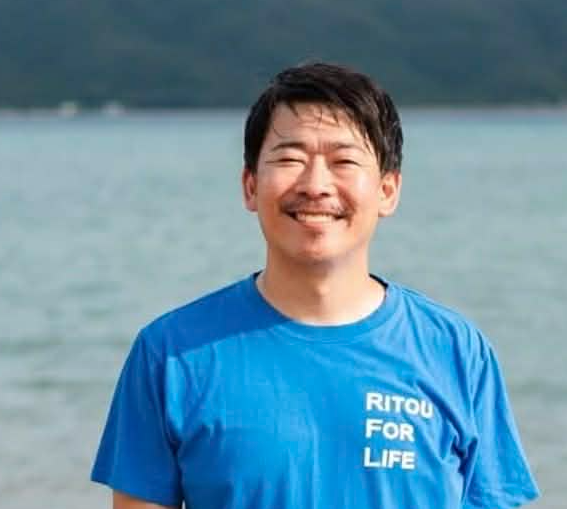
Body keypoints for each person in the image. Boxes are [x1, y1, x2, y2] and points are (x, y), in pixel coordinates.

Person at [91, 62, 540, 509]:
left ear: (387, 190)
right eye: (290, 159)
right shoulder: (171, 353)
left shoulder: (456, 352)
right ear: (250, 186)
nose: (316, 185)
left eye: (344, 161)